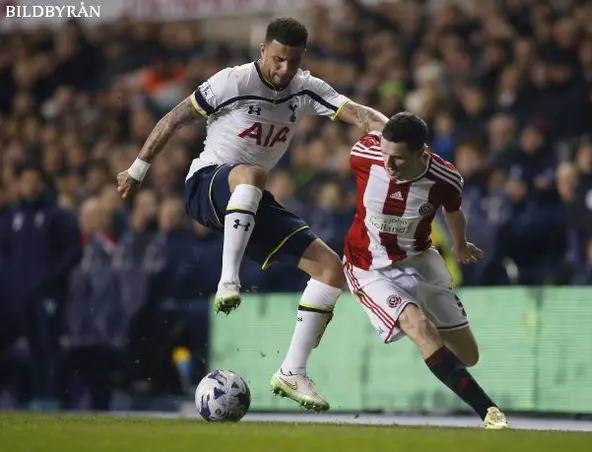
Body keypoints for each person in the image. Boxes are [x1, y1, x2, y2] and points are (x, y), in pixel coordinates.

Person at [116, 17, 388, 411]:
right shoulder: (233, 81)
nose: (283, 69)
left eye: (292, 62)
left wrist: (395, 135)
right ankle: (228, 281)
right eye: (277, 59)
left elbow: (361, 115)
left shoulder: (306, 87)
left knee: (331, 268)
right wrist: (137, 169)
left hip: (250, 198)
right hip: (205, 186)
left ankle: (292, 371)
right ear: (263, 50)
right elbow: (174, 118)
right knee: (252, 174)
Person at [342, 112, 508, 429]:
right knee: (417, 324)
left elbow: (454, 211)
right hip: (369, 265)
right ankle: (489, 412)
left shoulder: (445, 178)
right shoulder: (364, 154)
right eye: (386, 154)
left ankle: (431, 330)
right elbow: (366, 119)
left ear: (421, 152)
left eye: (399, 158)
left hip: (419, 261)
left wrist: (459, 245)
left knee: (469, 355)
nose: (389, 164)